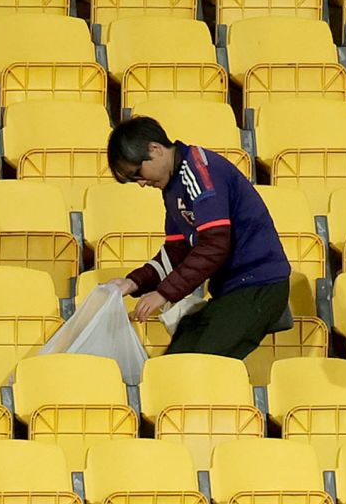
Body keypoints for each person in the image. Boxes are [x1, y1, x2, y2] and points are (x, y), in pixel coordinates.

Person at [107, 116, 292, 359]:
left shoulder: (199, 172)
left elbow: (214, 245)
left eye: (137, 173)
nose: (141, 183)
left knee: (199, 365)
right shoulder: (173, 187)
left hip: (259, 285)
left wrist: (163, 293)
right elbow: (177, 251)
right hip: (231, 291)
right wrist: (134, 282)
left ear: (155, 149)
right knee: (175, 362)